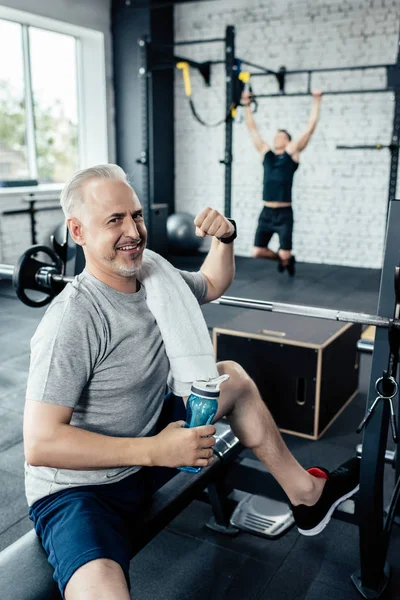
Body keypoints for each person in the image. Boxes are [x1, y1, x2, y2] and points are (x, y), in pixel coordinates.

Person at [23, 164, 359, 600]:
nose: (134, 230)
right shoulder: (73, 319)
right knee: (101, 588)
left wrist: (226, 237)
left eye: (137, 215)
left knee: (232, 378)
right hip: (80, 491)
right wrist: (157, 449)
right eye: (114, 220)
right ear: (78, 231)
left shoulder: (153, 275)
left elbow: (213, 281)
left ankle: (307, 495)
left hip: (144, 444)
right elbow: (41, 444)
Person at [243, 89, 323, 276]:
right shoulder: (266, 153)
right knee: (257, 252)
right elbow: (252, 128)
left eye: (282, 136)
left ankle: (286, 257)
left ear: (288, 141)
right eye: (276, 136)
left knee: (285, 252)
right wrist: (246, 104)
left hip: (284, 214)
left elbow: (310, 127)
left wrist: (317, 100)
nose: (277, 138)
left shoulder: (292, 154)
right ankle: (284, 259)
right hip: (266, 212)